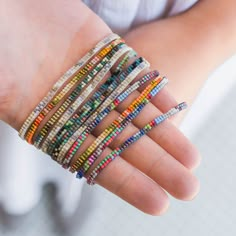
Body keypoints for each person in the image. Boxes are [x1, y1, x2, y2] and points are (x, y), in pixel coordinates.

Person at [0, 0, 235, 216]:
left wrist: (209, 29)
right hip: (23, 42)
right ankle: (19, 197)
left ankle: (67, 196)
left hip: (190, 26)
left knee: (138, 149)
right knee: (19, 160)